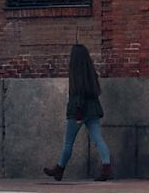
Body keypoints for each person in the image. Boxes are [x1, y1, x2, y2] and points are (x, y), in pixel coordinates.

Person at [43, 44, 112, 182]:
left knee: (68, 143)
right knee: (98, 140)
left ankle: (59, 169)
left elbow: (78, 95)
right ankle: (106, 167)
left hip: (78, 112)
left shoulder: (76, 73)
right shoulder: (90, 72)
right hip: (93, 111)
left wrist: (79, 114)